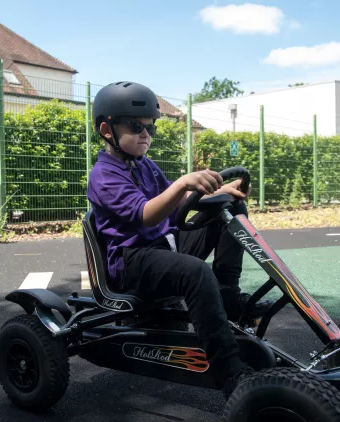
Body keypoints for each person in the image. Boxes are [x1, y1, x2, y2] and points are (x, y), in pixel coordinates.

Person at [86, 81, 272, 400]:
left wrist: (220, 193)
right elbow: (145, 214)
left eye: (151, 128)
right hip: (131, 262)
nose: (146, 134)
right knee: (195, 273)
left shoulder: (145, 166)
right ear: (106, 129)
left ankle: (228, 296)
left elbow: (178, 204)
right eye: (135, 126)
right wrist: (184, 182)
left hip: (162, 247)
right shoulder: (103, 175)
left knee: (231, 209)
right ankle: (230, 373)